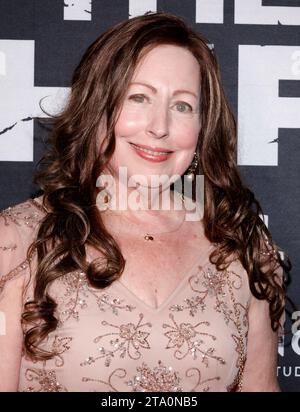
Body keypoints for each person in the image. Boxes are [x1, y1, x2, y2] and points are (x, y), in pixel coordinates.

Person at [0, 12, 288, 392]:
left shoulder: (244, 249)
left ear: (203, 127)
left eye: (183, 105)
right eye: (138, 97)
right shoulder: (17, 242)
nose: (160, 126)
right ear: (97, 107)